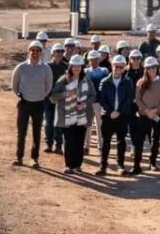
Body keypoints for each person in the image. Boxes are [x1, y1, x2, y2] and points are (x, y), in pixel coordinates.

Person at [50, 54, 96, 174]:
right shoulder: (63, 80)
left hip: (82, 115)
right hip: (67, 116)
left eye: (78, 66)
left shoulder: (87, 80)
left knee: (79, 141)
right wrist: (65, 94)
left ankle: (77, 165)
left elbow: (93, 95)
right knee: (69, 141)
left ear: (82, 67)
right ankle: (69, 165)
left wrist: (85, 104)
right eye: (74, 66)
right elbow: (53, 97)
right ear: (70, 66)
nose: (76, 68)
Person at [11, 40, 53, 168]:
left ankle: (34, 159)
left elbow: (48, 86)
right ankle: (19, 157)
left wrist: (41, 96)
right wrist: (20, 95)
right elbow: (14, 84)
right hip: (24, 103)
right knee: (21, 132)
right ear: (29, 52)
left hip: (39, 104)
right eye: (33, 50)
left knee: (36, 132)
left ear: (41, 53)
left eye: (38, 51)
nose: (35, 53)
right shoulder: (21, 67)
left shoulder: (46, 68)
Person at [96, 54, 134, 176]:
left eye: (121, 67)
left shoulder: (128, 82)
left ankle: (121, 165)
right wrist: (110, 111)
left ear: (124, 68)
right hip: (108, 116)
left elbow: (129, 99)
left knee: (121, 141)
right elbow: (102, 99)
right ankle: (103, 166)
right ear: (112, 66)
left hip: (122, 116)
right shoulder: (104, 81)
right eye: (116, 66)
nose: (118, 69)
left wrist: (119, 112)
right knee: (106, 141)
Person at [132, 56, 160, 174]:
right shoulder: (140, 82)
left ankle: (152, 162)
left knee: (155, 140)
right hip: (144, 115)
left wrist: (156, 111)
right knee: (139, 141)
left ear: (157, 68)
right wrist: (146, 111)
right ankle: (136, 165)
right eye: (149, 68)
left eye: (154, 67)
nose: (152, 70)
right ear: (145, 69)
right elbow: (138, 100)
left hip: (157, 115)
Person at [44, 43, 69, 154]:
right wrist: (49, 96)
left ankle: (58, 145)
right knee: (49, 122)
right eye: (57, 51)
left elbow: (68, 83)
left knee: (59, 123)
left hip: (61, 99)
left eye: (61, 52)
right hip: (48, 99)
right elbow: (44, 83)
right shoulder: (47, 66)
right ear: (52, 53)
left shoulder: (66, 67)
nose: (59, 54)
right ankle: (49, 144)